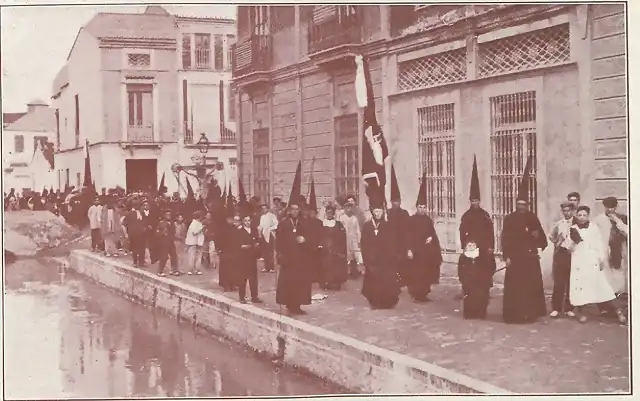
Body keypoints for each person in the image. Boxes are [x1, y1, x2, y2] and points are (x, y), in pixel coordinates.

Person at [501, 162, 548, 324]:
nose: (521, 207)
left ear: (527, 205)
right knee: (515, 288)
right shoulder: (509, 219)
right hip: (515, 259)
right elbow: (504, 238)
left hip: (529, 259)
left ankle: (530, 314)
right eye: (519, 204)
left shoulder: (532, 218)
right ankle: (514, 315)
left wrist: (536, 237)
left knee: (529, 287)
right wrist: (506, 256)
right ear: (516, 204)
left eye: (524, 205)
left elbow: (542, 239)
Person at [569, 205, 626, 324]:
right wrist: (574, 242)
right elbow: (569, 248)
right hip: (579, 261)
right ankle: (582, 313)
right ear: (576, 216)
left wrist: (601, 260)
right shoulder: (573, 228)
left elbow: (599, 244)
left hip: (592, 260)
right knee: (581, 287)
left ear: (588, 216)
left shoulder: (593, 227)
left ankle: (619, 312)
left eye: (584, 215)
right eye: (580, 215)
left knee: (604, 287)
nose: (582, 217)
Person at [458, 156, 496, 302]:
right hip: (471, 247)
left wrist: (490, 247)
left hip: (484, 247)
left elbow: (490, 232)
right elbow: (462, 232)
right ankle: (467, 289)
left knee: (485, 269)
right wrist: (465, 246)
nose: (475, 203)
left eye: (477, 201)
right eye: (472, 201)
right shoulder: (466, 216)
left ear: (480, 201)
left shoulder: (485, 216)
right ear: (470, 201)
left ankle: (484, 289)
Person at [406, 173, 443, 303]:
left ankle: (424, 294)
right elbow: (408, 235)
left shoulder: (428, 220)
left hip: (426, 252)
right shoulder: (411, 220)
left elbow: (431, 233)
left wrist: (431, 239)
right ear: (416, 207)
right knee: (416, 274)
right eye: (420, 207)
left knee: (425, 274)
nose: (422, 209)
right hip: (416, 252)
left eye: (424, 207)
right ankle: (416, 294)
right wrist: (409, 249)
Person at [360, 192, 400, 309]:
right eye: (376, 212)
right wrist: (367, 259)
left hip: (385, 259)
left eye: (380, 212)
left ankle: (386, 302)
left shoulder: (387, 225)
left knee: (385, 281)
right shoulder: (367, 226)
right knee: (373, 282)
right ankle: (375, 302)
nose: (378, 214)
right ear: (372, 212)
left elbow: (392, 242)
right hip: (372, 259)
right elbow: (364, 243)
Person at [275, 202, 313, 315]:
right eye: (293, 209)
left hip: (301, 258)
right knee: (287, 282)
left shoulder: (305, 223)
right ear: (290, 210)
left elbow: (312, 237)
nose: (295, 211)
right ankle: (286, 305)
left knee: (299, 282)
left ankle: (296, 306)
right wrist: (280, 254)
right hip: (288, 258)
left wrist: (305, 240)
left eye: (297, 209)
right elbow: (278, 240)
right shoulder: (284, 223)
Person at [593, 196, 629, 297]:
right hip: (605, 249)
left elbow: (628, 233)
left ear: (616, 206)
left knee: (619, 272)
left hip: (620, 250)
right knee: (606, 273)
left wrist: (618, 221)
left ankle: (619, 294)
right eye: (607, 207)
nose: (610, 209)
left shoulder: (622, 218)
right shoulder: (598, 220)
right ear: (604, 207)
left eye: (612, 207)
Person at [548, 202, 577, 318]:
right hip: (560, 254)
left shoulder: (577, 223)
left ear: (573, 211)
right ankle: (556, 308)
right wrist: (557, 242)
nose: (566, 213)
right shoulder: (559, 224)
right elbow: (551, 236)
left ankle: (569, 308)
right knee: (559, 282)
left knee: (571, 282)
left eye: (568, 210)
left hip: (573, 255)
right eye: (564, 211)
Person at [386, 165, 411, 287]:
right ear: (391, 202)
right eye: (394, 201)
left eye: (398, 201)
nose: (396, 203)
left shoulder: (404, 213)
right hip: (391, 241)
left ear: (400, 201)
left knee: (402, 262)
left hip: (402, 242)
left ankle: (403, 280)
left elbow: (408, 229)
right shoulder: (388, 213)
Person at [458, 240, 494, 319]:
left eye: (473, 245)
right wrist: (463, 279)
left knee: (480, 297)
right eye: (469, 246)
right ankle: (468, 313)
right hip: (468, 281)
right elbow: (460, 269)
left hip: (479, 281)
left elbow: (487, 267)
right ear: (466, 247)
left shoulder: (480, 256)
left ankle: (480, 313)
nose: (471, 248)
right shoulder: (463, 257)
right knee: (468, 298)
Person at [234, 214, 263, 304]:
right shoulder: (239, 232)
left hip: (252, 257)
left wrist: (258, 243)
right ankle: (242, 297)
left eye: (249, 220)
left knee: (253, 278)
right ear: (243, 222)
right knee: (242, 278)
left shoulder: (254, 231)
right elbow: (235, 244)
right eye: (245, 221)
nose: (247, 222)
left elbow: (259, 241)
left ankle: (254, 296)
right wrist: (241, 247)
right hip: (242, 258)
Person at [319, 204, 348, 290]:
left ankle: (336, 283)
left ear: (333, 214)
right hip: (325, 249)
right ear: (325, 213)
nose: (329, 215)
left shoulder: (338, 224)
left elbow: (342, 237)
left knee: (336, 266)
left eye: (331, 213)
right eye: (328, 213)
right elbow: (319, 236)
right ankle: (326, 283)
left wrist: (340, 249)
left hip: (336, 249)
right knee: (325, 266)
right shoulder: (322, 224)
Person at [338, 200, 362, 279]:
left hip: (353, 239)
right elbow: (339, 229)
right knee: (345, 255)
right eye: (347, 207)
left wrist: (359, 240)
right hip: (345, 239)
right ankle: (344, 272)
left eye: (350, 207)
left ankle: (354, 271)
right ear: (345, 208)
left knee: (354, 255)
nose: (349, 209)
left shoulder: (355, 218)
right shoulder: (342, 218)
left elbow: (358, 230)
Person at [123, 200, 147, 268]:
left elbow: (145, 222)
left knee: (142, 248)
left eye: (139, 205)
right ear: (134, 206)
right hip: (134, 234)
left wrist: (145, 227)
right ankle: (135, 262)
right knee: (135, 249)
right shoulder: (129, 214)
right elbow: (125, 224)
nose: (139, 206)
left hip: (142, 234)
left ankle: (141, 262)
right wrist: (127, 233)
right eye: (138, 205)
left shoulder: (142, 213)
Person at [156, 210, 178, 277]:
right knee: (164, 257)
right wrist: (162, 233)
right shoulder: (161, 223)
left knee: (174, 256)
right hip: (164, 243)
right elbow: (157, 234)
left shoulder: (172, 223)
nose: (169, 216)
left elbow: (173, 232)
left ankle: (174, 270)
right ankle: (160, 271)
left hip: (171, 242)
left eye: (170, 214)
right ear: (164, 215)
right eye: (167, 214)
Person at [257, 203, 278, 273]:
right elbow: (261, 226)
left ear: (267, 209)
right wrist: (259, 233)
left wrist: (270, 229)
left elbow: (276, 224)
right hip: (263, 234)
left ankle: (271, 267)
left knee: (270, 252)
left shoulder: (272, 216)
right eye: (262, 209)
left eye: (265, 208)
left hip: (270, 234)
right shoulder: (262, 217)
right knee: (265, 251)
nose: (263, 210)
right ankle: (266, 267)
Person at [184, 210, 205, 275]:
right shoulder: (195, 223)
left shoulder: (197, 223)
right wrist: (202, 228)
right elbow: (194, 232)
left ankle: (196, 269)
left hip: (198, 242)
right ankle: (191, 269)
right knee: (192, 257)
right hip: (193, 243)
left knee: (197, 257)